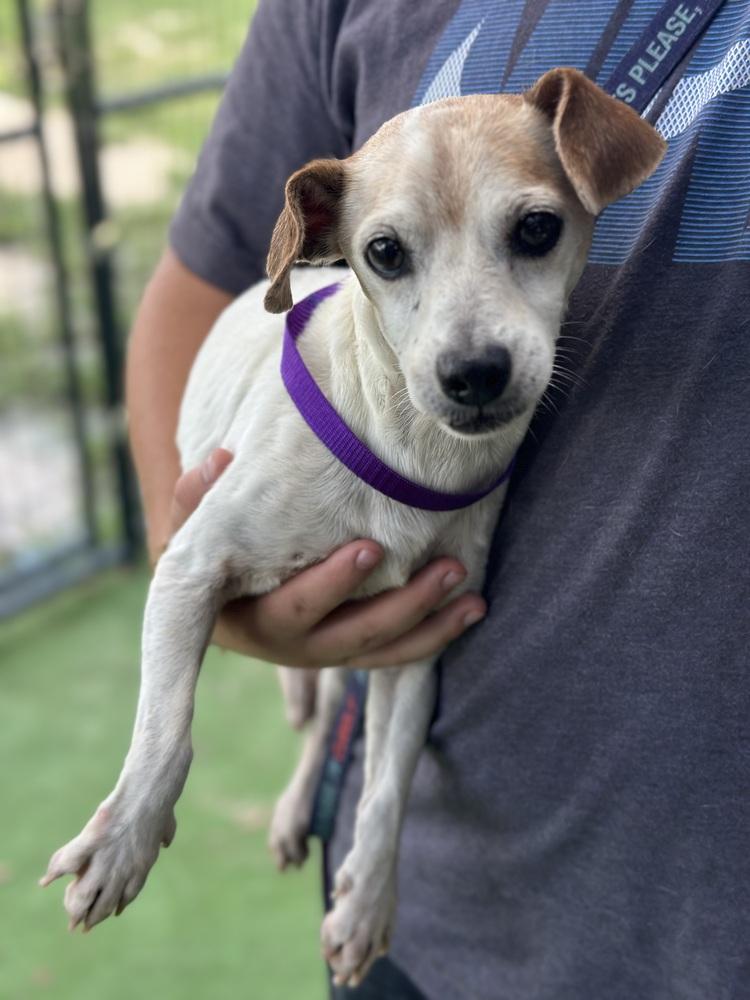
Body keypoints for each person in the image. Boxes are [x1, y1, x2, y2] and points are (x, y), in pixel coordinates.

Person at [126, 2, 750, 997]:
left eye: (532, 232)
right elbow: (207, 288)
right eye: (390, 252)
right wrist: (198, 551)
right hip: (435, 919)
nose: (469, 349)